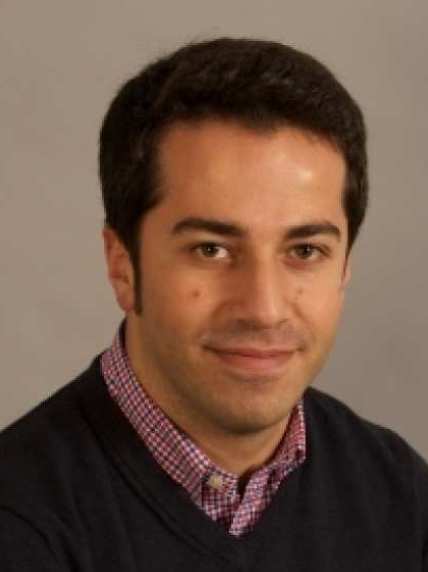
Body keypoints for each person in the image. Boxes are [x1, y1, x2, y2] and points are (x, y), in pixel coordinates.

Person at [1, 37, 427, 571]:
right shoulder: (20, 523)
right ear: (122, 266)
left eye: (304, 251)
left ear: (344, 268)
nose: (264, 308)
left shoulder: (401, 495)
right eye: (211, 249)